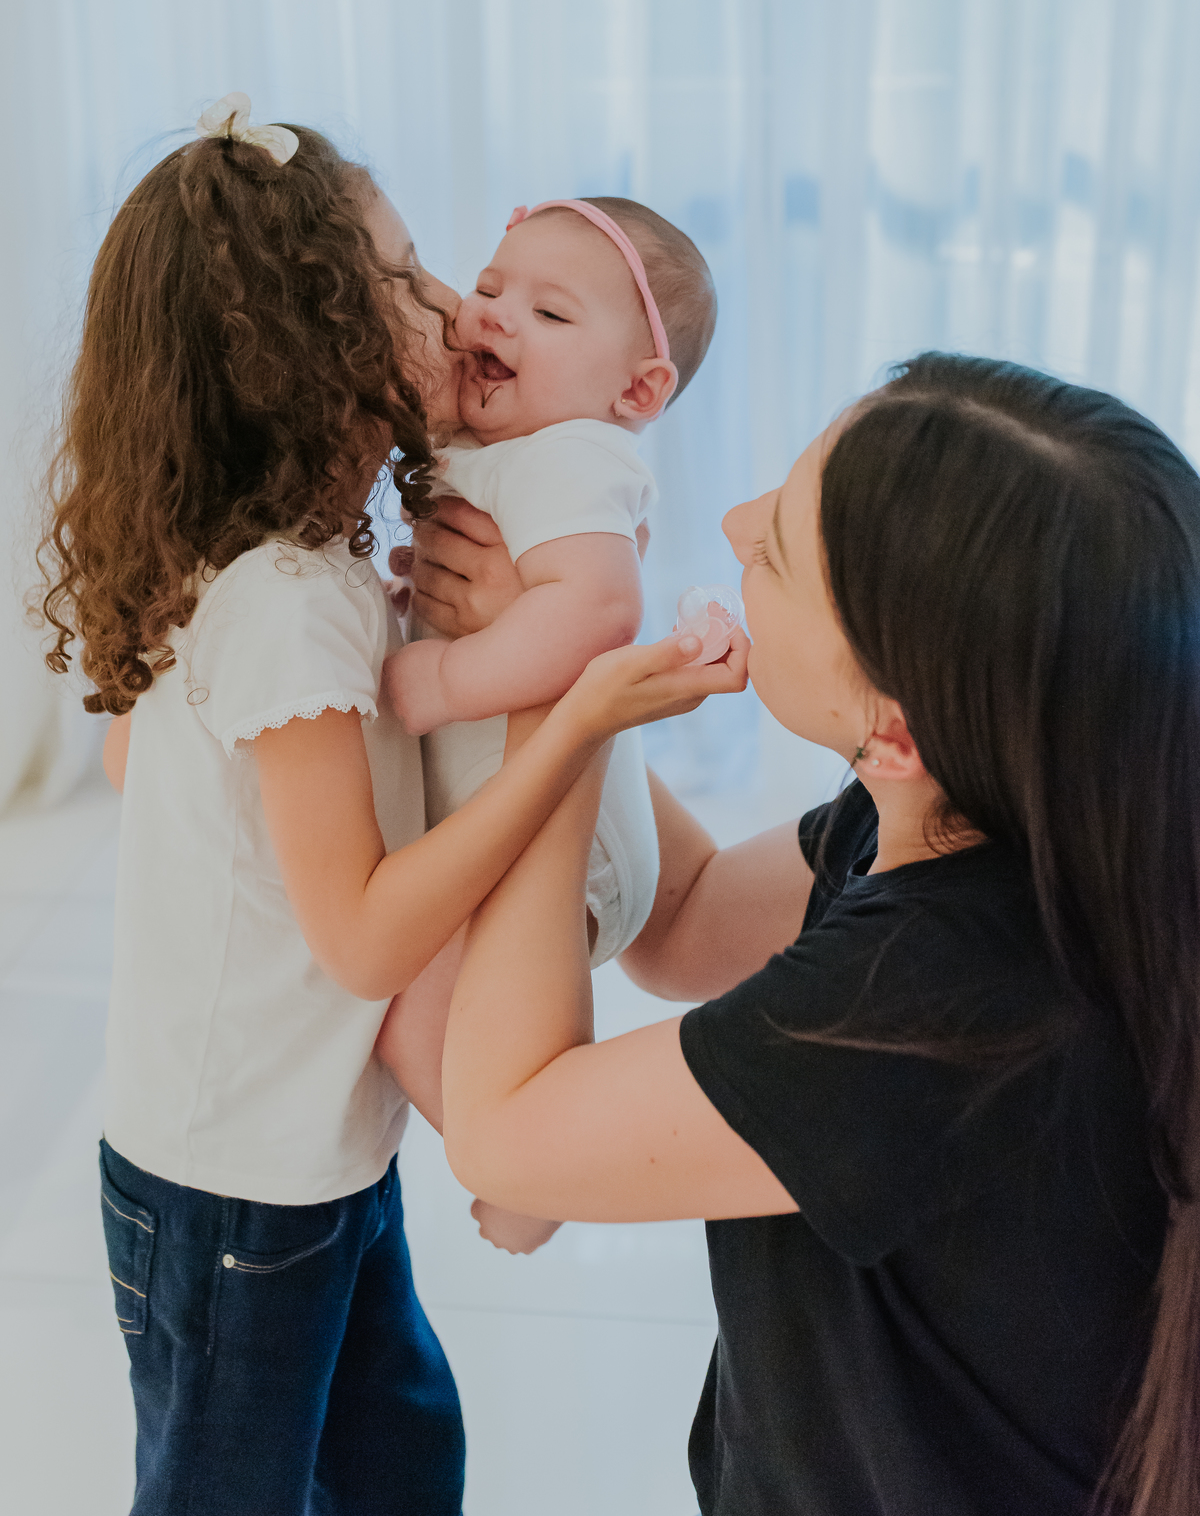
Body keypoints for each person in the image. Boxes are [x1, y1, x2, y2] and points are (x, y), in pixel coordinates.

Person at [38, 93, 743, 1516]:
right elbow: (368, 942)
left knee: (404, 1454)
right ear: (316, 353)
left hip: (312, 1152)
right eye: (420, 281)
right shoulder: (293, 604)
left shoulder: (290, 567)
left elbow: (135, 763)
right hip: (232, 1188)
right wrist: (574, 725)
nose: (459, 310)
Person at [432, 353, 1197, 1516]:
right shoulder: (1011, 820)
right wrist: (578, 660)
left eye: (777, 547)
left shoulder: (925, 1003)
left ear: (894, 728)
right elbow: (682, 922)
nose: (735, 524)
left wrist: (549, 700)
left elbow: (503, 1129)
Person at [375, 197, 716, 1252]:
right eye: (487, 290)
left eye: (550, 314)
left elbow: (599, 609)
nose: (495, 319)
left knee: (410, 1006)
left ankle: (535, 1170)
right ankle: (516, 1150)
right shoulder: (506, 448)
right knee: (415, 1007)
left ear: (638, 389)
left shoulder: (576, 454)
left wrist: (444, 676)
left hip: (567, 852)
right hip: (521, 827)